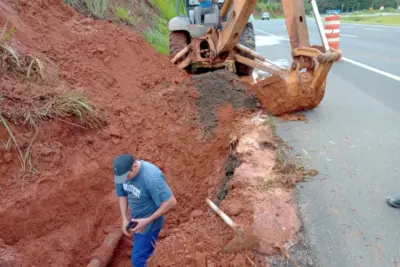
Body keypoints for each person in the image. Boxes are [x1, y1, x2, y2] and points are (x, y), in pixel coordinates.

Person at [114, 154, 177, 266]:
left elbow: (171, 202)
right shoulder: (121, 172)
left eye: (126, 176)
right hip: (137, 220)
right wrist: (124, 218)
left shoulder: (151, 177)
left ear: (133, 166)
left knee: (138, 261)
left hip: (150, 225)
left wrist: (146, 221)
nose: (123, 179)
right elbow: (122, 193)